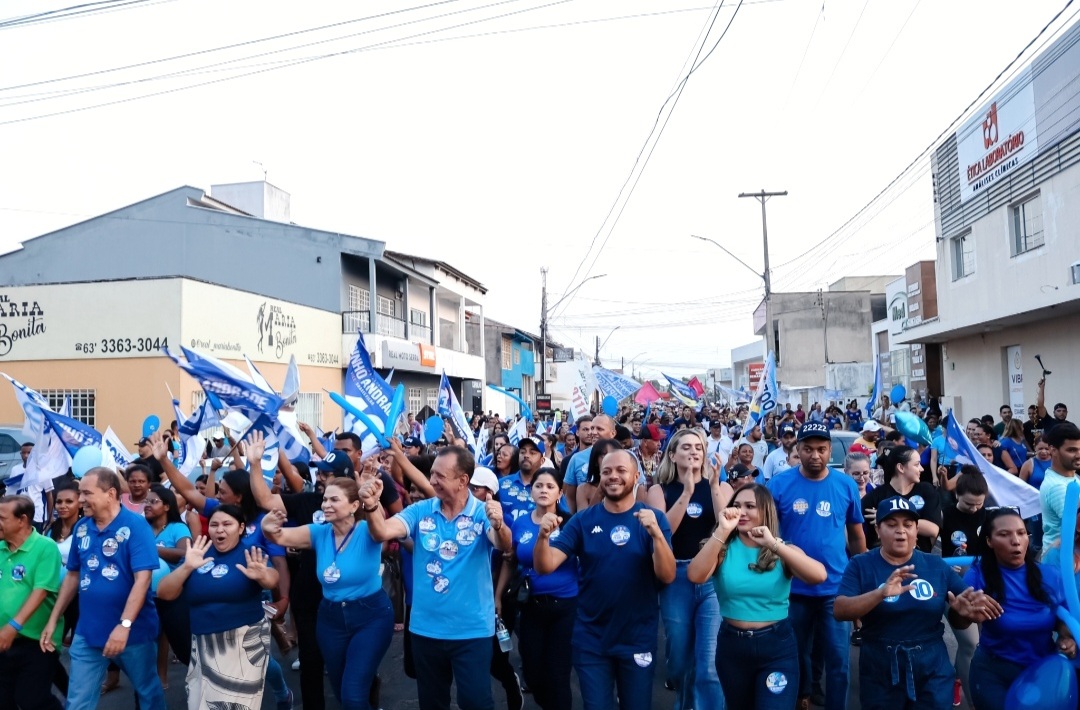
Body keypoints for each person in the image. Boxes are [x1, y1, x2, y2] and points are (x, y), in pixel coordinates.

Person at [362, 446, 512, 710]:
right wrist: (372, 505)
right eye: (431, 474)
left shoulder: (482, 512)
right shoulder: (420, 510)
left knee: (476, 702)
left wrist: (499, 524)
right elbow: (381, 532)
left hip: (472, 631)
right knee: (432, 703)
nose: (431, 481)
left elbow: (503, 544)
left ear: (463, 480)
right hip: (426, 630)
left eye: (440, 476)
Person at [533, 449, 675, 710]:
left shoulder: (654, 519)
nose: (613, 476)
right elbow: (545, 566)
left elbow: (667, 575)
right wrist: (542, 538)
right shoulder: (582, 520)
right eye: (606, 471)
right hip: (591, 639)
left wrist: (656, 535)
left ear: (636, 476)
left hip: (637, 638)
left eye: (621, 471)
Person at [835, 496, 991, 709]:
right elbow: (840, 610)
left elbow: (963, 613)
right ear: (878, 530)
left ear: (916, 531)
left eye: (908, 525)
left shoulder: (936, 565)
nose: (901, 531)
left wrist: (964, 613)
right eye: (891, 525)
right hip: (880, 667)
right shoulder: (860, 564)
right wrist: (879, 594)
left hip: (932, 667)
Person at [688, 484, 826, 709]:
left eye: (750, 506)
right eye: (736, 505)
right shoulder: (721, 548)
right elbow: (695, 575)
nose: (741, 512)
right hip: (733, 647)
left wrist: (773, 544)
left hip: (777, 647)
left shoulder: (782, 549)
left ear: (765, 510)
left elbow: (819, 575)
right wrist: (722, 531)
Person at [40, 467, 165, 710]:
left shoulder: (136, 527)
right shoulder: (82, 527)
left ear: (110, 494)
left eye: (87, 493)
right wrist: (53, 619)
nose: (81, 499)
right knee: (78, 702)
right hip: (88, 632)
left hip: (133, 633)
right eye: (80, 493)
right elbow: (73, 575)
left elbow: (143, 580)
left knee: (148, 693)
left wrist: (124, 625)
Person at [262, 477, 392, 710]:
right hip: (331, 620)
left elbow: (381, 532)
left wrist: (372, 503)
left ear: (353, 506)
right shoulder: (319, 532)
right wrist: (267, 527)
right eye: (324, 500)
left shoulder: (367, 530)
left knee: (352, 696)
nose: (325, 505)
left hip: (370, 618)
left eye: (334, 500)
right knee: (343, 692)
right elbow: (279, 536)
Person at [767, 422, 866, 710]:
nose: (815, 455)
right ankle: (801, 698)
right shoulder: (779, 485)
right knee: (795, 656)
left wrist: (863, 579)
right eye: (808, 449)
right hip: (791, 588)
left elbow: (856, 535)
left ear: (829, 450)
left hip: (835, 590)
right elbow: (767, 534)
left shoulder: (846, 485)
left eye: (821, 449)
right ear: (797, 449)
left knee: (838, 660)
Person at [157, 505, 279, 710]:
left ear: (241, 528)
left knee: (234, 705)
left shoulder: (250, 552)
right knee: (200, 704)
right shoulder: (198, 554)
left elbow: (273, 579)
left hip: (243, 643)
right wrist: (187, 567)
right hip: (203, 644)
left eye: (227, 524)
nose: (220, 529)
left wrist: (263, 575)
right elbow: (164, 592)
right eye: (214, 525)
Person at [646, 429, 731, 710]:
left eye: (698, 447)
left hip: (712, 577)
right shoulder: (659, 490)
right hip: (676, 577)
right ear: (672, 455)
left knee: (709, 666)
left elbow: (726, 527)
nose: (694, 451)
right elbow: (663, 532)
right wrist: (686, 493)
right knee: (680, 663)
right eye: (686, 447)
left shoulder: (721, 486)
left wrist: (714, 487)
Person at [964, 507, 1075, 710]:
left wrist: (1067, 639)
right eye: (1004, 534)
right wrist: (961, 613)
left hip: (1042, 672)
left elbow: (1065, 620)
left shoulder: (1052, 576)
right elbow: (960, 620)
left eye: (1021, 533)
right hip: (993, 672)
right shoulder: (977, 575)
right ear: (989, 541)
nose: (1015, 541)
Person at [497, 468, 576, 710]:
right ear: (531, 491)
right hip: (531, 604)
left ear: (559, 493)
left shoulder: (570, 523)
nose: (543, 490)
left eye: (550, 486)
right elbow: (510, 561)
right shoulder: (520, 523)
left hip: (565, 605)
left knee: (558, 672)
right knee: (532, 670)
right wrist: (498, 596)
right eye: (539, 486)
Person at [0, 494, 64, 710]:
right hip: (3, 640)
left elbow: (41, 591)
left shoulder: (45, 547)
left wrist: (13, 626)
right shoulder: (0, 548)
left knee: (32, 700)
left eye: (2, 518)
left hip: (37, 640)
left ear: (22, 520)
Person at [939, 467, 987, 706]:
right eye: (969, 504)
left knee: (980, 643)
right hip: (954, 588)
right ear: (957, 494)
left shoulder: (989, 516)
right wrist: (946, 565)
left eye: (979, 504)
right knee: (970, 643)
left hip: (984, 587)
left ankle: (958, 678)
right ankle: (972, 701)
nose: (975, 509)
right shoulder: (944, 515)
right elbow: (927, 551)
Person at [144, 484, 192, 688]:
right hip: (146, 594)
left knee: (182, 646)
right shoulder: (142, 528)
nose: (147, 505)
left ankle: (206, 678)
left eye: (153, 501)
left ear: (166, 506)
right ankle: (157, 680)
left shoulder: (177, 528)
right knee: (150, 639)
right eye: (146, 501)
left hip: (173, 595)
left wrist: (151, 548)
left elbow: (184, 553)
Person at [860, 446, 941, 552]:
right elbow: (853, 530)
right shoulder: (875, 496)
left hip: (918, 558)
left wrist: (885, 516)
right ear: (901, 468)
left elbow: (933, 529)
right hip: (884, 559)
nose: (922, 469)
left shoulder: (926, 490)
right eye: (917, 464)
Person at [1038, 422, 1080, 556]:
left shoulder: (1070, 477)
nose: (1078, 455)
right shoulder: (1058, 487)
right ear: (1053, 450)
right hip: (1063, 560)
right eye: (1072, 450)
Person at [499, 437, 543, 523]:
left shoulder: (548, 488)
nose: (526, 455)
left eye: (532, 453)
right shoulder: (501, 483)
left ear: (542, 460)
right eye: (522, 452)